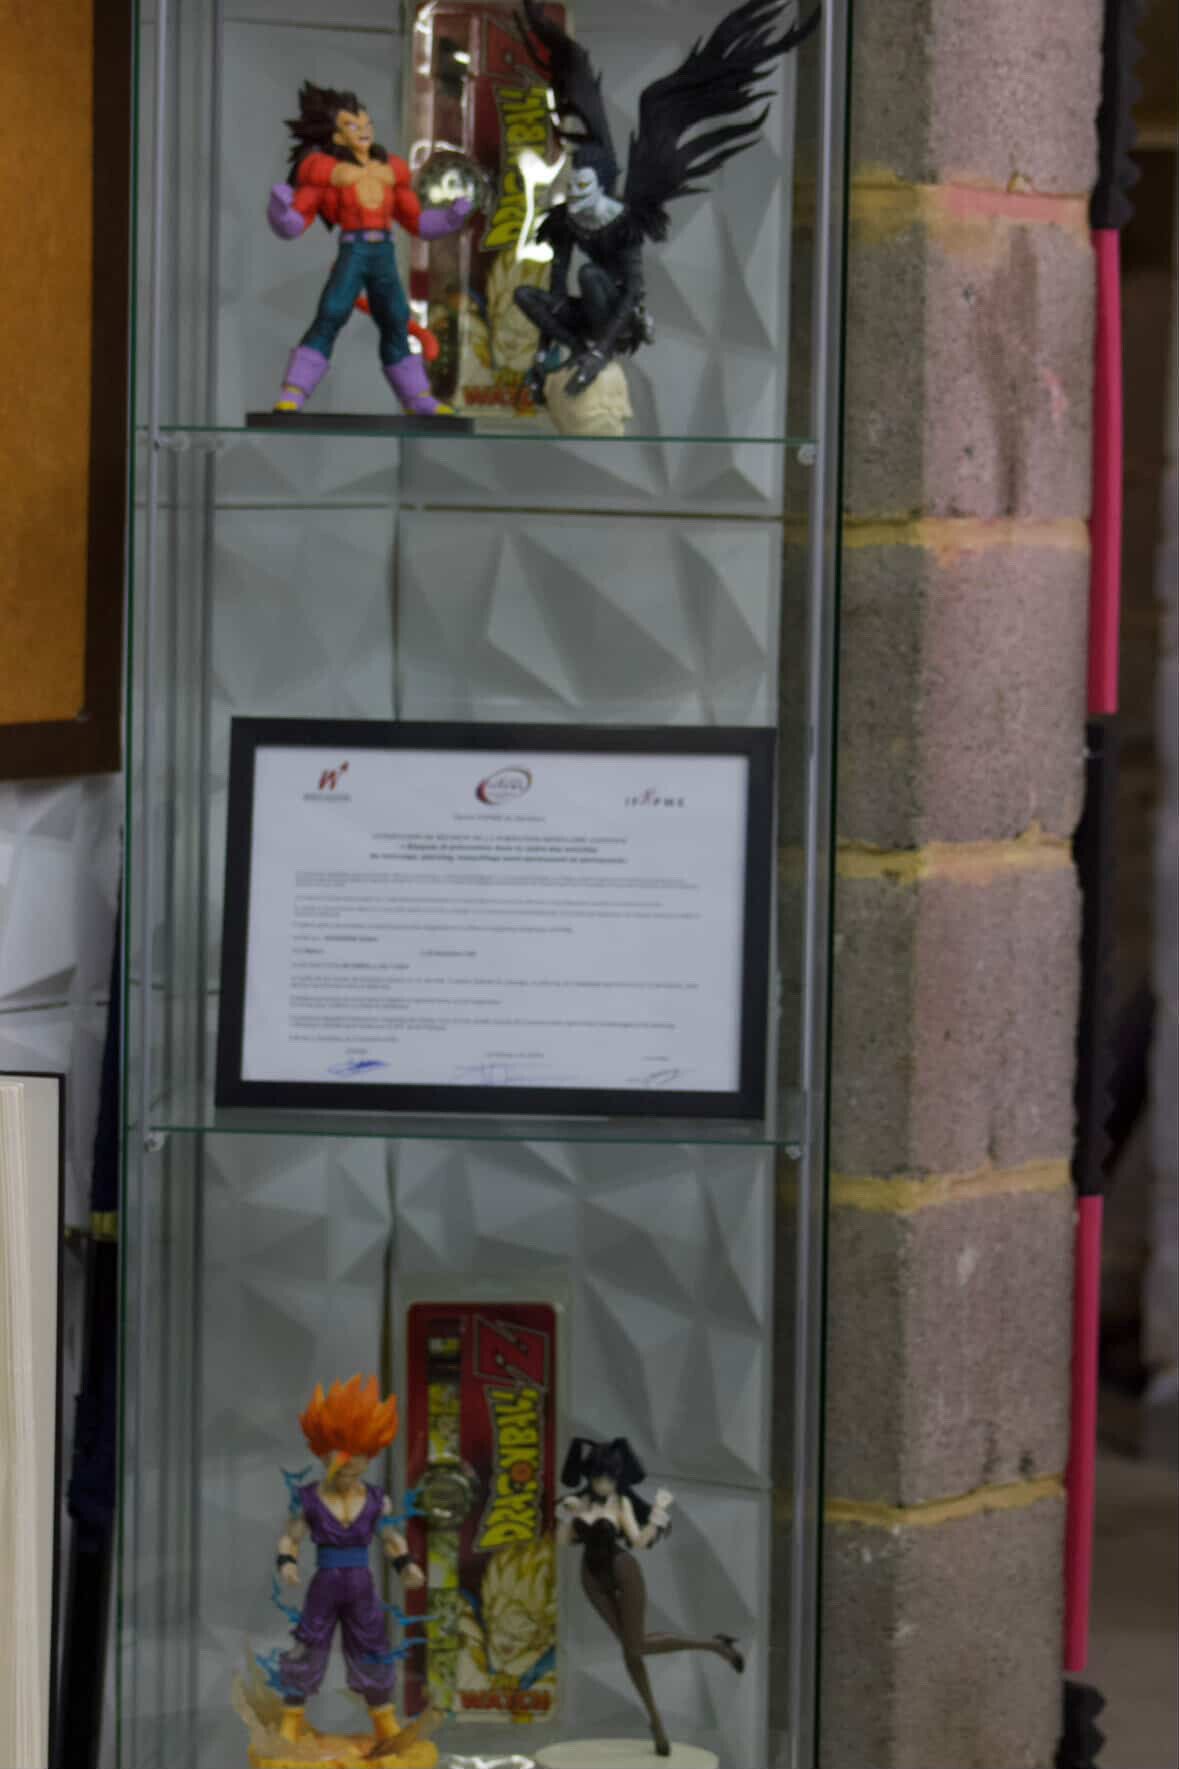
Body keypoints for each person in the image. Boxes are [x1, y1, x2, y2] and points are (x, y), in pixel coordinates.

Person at [558, 1436, 744, 1758]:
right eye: (599, 1477)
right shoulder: (580, 1502)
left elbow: (638, 1542)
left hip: (622, 1569)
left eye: (610, 1477)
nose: (604, 1484)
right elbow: (563, 1541)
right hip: (591, 1578)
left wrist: (657, 1513)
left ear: (617, 1477)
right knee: (631, 1651)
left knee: (636, 1647)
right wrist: (567, 1516)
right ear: (590, 1475)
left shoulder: (621, 1504)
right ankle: (657, 1721)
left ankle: (713, 1646)